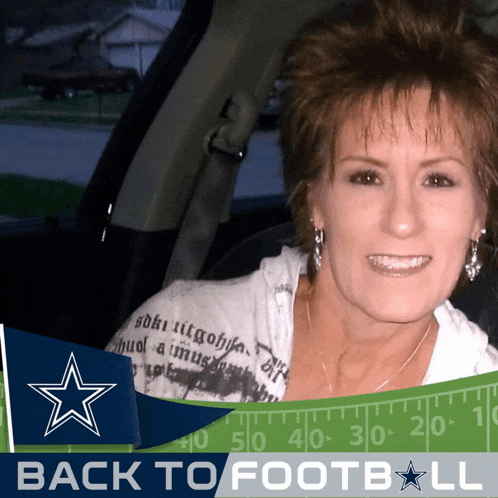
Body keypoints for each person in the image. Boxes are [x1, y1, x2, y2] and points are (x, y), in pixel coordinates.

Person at [106, 0, 498, 402]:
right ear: (315, 199)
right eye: (366, 177)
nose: (401, 221)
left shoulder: (482, 403)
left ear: (479, 211)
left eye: (437, 180)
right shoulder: (180, 334)